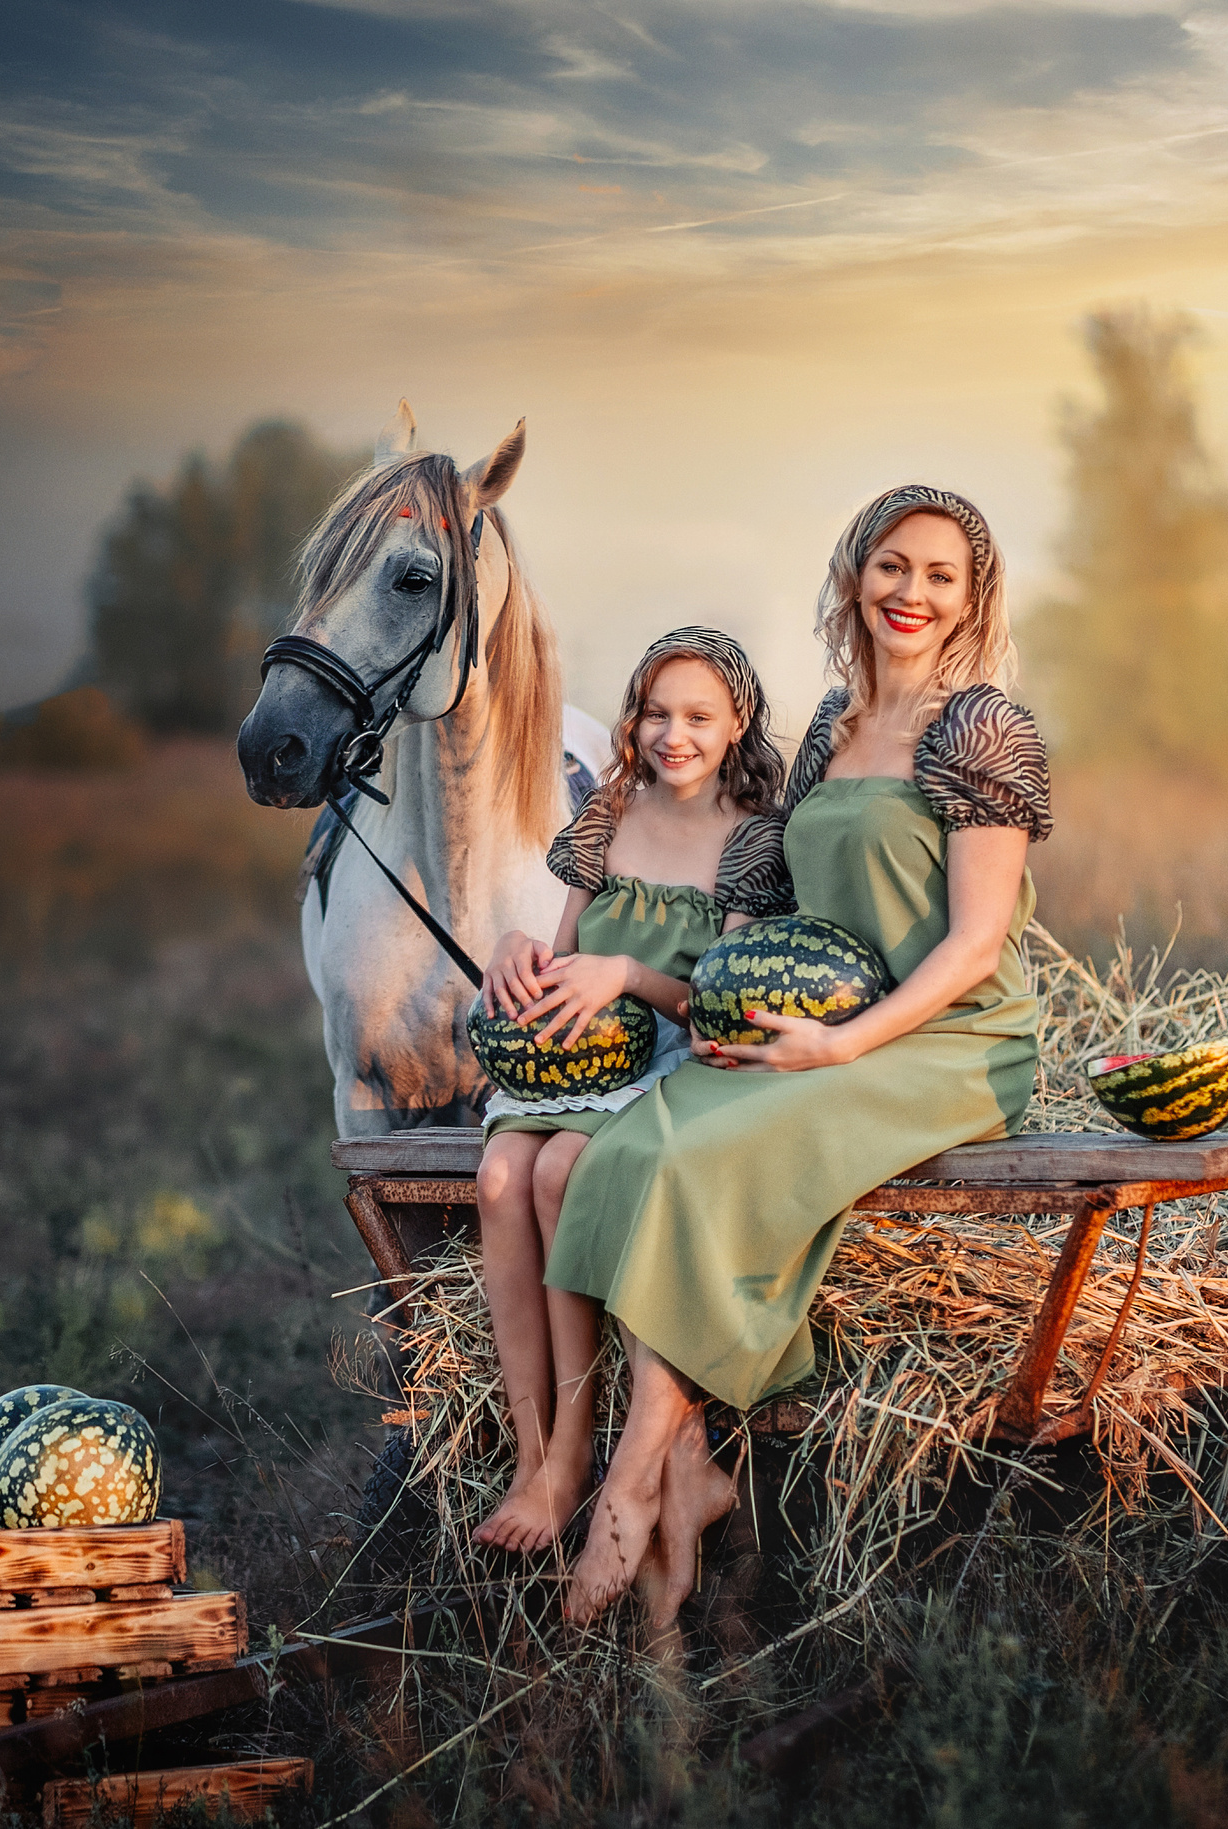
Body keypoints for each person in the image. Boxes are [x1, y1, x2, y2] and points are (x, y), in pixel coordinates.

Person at [546, 485, 1052, 1626]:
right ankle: (688, 1469)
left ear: (971, 598)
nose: (908, 593)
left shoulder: (983, 728)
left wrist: (841, 1045)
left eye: (937, 575)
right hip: (817, 1018)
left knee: (708, 1161)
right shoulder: (829, 724)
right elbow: (748, 880)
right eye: (890, 566)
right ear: (852, 575)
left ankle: (631, 1474)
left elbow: (975, 943)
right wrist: (704, 998)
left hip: (943, 1039)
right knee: (638, 1143)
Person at [469, 628, 792, 1553]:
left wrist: (629, 974)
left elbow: (721, 1008)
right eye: (656, 712)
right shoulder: (607, 815)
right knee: (499, 1179)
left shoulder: (751, 841)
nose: (672, 734)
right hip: (575, 1054)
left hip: (668, 1062)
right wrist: (517, 953)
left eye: (697, 715)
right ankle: (530, 1457)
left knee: (557, 1174)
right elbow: (565, 953)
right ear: (633, 720)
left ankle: (573, 1458)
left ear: (738, 724)